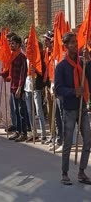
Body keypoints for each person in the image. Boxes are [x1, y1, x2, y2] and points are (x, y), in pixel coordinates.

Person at [55, 32, 91, 185]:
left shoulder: (82, 63)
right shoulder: (61, 67)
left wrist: (89, 61)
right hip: (69, 109)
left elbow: (89, 78)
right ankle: (65, 173)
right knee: (68, 141)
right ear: (66, 45)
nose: (75, 45)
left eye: (76, 42)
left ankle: (82, 172)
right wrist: (73, 91)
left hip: (82, 107)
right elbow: (58, 89)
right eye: (72, 43)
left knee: (88, 140)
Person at [0, 35, 28, 142]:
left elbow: (23, 74)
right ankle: (17, 130)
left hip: (18, 88)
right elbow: (9, 71)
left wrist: (20, 88)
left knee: (21, 111)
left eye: (13, 43)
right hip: (12, 86)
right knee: (15, 110)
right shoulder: (12, 56)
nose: (11, 45)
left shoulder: (22, 57)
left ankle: (24, 132)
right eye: (10, 43)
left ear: (18, 45)